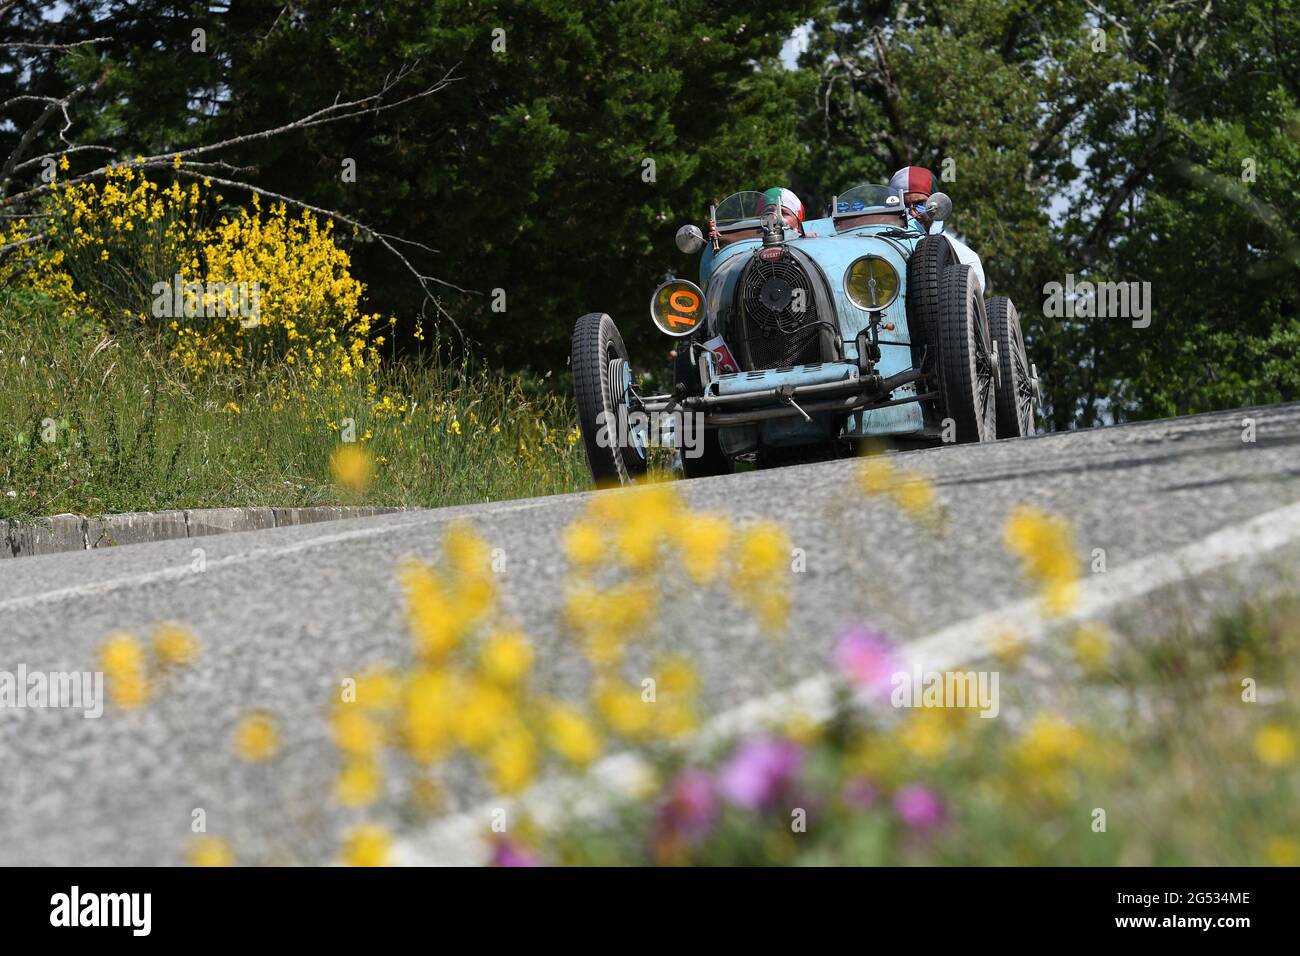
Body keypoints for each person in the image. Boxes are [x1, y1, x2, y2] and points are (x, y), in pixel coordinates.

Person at [888, 165, 987, 292]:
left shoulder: (966, 259)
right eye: (904, 206)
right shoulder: (881, 247)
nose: (912, 213)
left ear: (936, 205)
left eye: (920, 204)